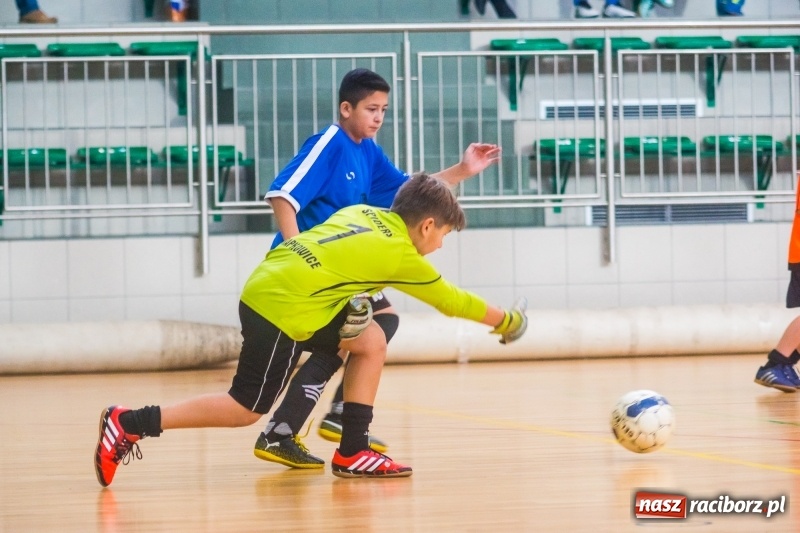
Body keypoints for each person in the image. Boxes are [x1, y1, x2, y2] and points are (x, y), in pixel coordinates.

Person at [94, 172, 529, 485]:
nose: (440, 245)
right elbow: (453, 301)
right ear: (427, 225)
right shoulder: (403, 254)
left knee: (371, 338)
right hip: (283, 308)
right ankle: (129, 421)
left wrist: (349, 305)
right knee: (244, 408)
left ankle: (353, 450)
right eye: (444, 236)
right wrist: (508, 321)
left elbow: (330, 259)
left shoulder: (366, 212)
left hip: (275, 283)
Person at [257, 68, 501, 469]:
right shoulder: (330, 143)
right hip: (310, 272)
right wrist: (298, 248)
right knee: (357, 337)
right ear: (346, 108)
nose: (378, 117)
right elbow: (282, 195)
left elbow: (414, 197)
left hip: (342, 274)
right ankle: (302, 426)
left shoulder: (368, 151)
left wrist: (462, 171)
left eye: (384, 110)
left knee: (378, 323)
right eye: (371, 109)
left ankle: (312, 422)